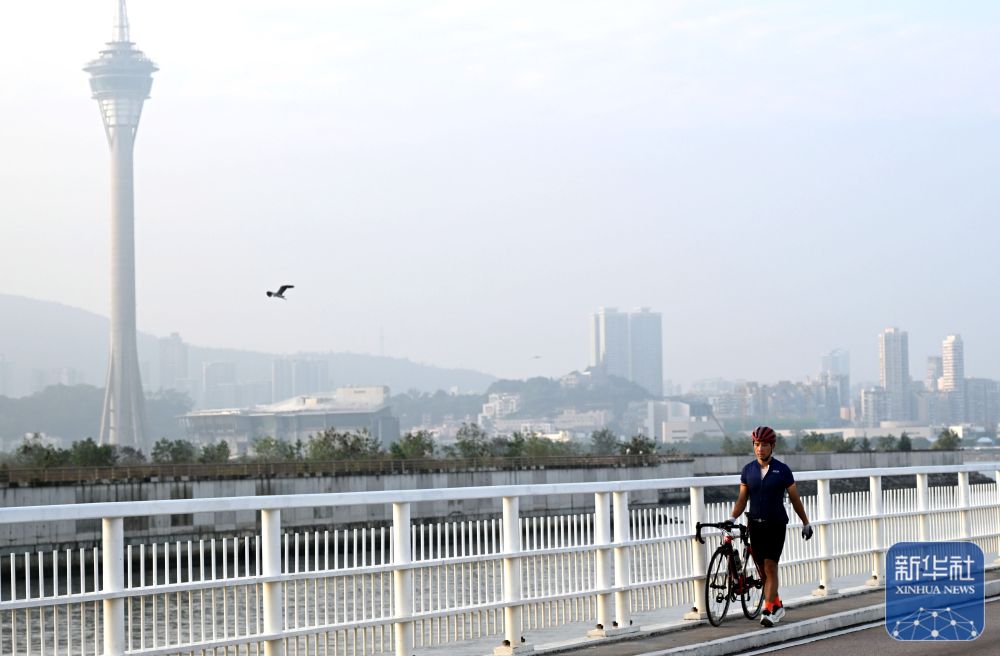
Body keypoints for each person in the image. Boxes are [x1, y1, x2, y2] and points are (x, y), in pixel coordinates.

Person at [728, 426, 812, 627]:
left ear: (772, 446)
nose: (760, 449)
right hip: (755, 525)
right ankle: (777, 604)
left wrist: (806, 522)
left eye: (764, 445)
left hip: (776, 525)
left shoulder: (782, 470)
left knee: (770, 566)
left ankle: (768, 609)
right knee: (762, 571)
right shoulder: (748, 470)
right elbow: (742, 499)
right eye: (757, 445)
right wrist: (731, 518)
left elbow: (795, 499)